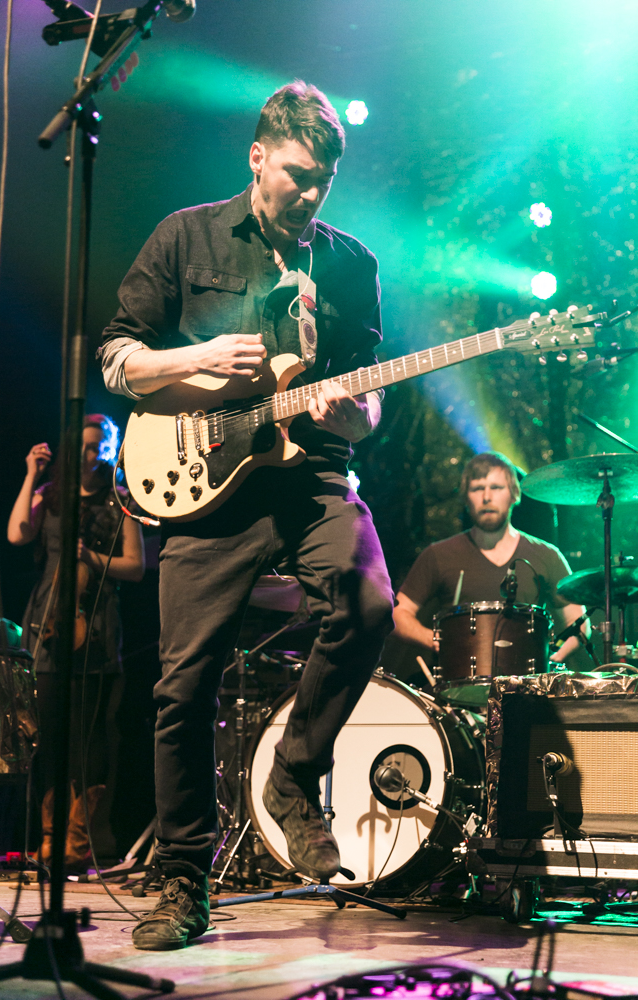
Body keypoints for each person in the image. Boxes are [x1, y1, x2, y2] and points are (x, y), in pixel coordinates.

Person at [99, 81, 394, 949]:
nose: (308, 195)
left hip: (309, 475)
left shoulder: (351, 265)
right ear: (258, 156)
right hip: (205, 480)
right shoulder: (184, 235)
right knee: (181, 684)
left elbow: (367, 403)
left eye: (324, 183)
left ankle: (293, 779)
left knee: (366, 601)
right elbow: (117, 357)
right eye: (296, 175)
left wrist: (353, 414)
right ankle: (182, 879)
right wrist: (190, 355)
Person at [7, 414, 145, 869]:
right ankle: (50, 836)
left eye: (101, 447)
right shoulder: (52, 496)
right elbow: (16, 534)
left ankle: (78, 843)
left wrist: (91, 557)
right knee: (48, 733)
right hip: (49, 622)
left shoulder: (122, 499)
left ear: (112, 449)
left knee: (91, 739)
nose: (92, 455)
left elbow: (136, 566)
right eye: (85, 447)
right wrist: (32, 475)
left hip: (97, 624)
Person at [393, 451, 588, 666]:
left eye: (496, 488)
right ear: (466, 498)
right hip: (455, 689)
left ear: (514, 494)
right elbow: (399, 613)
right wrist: (436, 640)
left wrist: (554, 657)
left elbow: (578, 622)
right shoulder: (438, 555)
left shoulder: (547, 555)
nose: (487, 497)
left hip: (527, 691)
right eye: (477, 488)